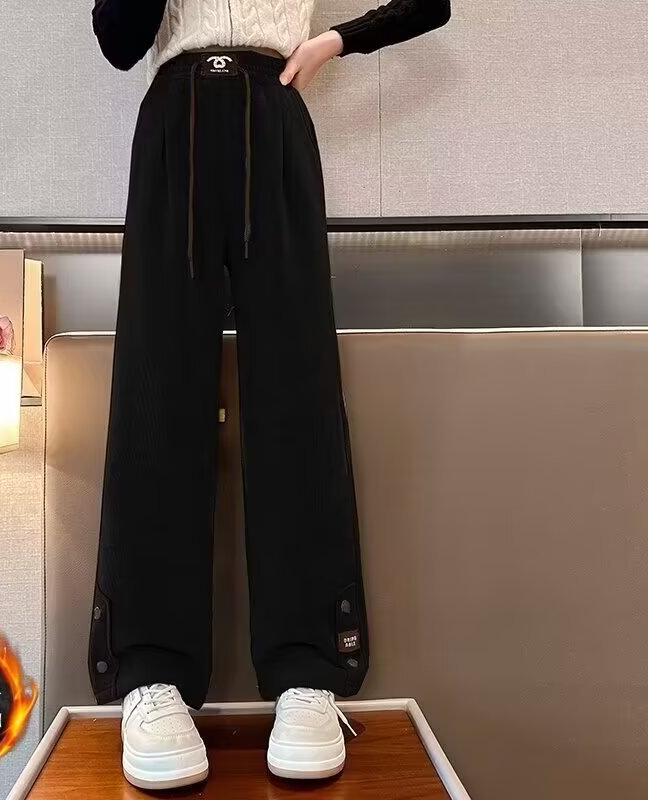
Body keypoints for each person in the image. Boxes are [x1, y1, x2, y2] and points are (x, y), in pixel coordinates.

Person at [88, 0, 451, 789]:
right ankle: (150, 671)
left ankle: (308, 669)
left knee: (297, 393)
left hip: (274, 115)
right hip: (173, 121)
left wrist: (334, 43)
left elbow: (433, 6)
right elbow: (118, 40)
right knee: (157, 394)